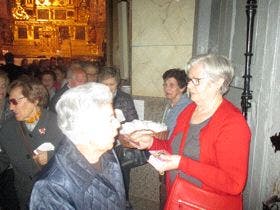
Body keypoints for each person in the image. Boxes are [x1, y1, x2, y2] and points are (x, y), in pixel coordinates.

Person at [129, 54, 251, 209]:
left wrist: (181, 163)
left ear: (218, 82)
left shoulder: (232, 123)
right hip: (178, 197)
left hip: (205, 204)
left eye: (196, 81)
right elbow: (174, 149)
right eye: (189, 80)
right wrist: (151, 143)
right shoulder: (189, 110)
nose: (190, 86)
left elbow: (234, 184)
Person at [29, 83, 126, 210]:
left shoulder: (107, 153)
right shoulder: (51, 188)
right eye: (110, 119)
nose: (117, 124)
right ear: (83, 129)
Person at [0, 79, 64, 209]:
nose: (11, 107)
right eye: (9, 102)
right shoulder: (8, 128)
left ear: (35, 99)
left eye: (14, 101)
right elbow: (3, 158)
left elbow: (74, 157)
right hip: (26, 196)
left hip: (55, 195)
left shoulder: (58, 124)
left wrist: (52, 157)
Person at [98, 66, 146, 208]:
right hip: (101, 148)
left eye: (111, 84)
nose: (108, 88)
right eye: (105, 84)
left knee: (121, 181)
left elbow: (134, 122)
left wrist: (119, 127)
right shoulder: (95, 98)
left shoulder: (124, 99)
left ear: (117, 84)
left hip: (120, 149)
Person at [0, 71, 19, 209]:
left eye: (3, 85)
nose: (1, 89)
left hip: (10, 161)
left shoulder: (13, 105)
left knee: (10, 200)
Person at [162, 69, 191, 137]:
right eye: (165, 85)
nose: (167, 89)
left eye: (171, 85)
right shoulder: (170, 105)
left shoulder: (187, 107)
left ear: (182, 88)